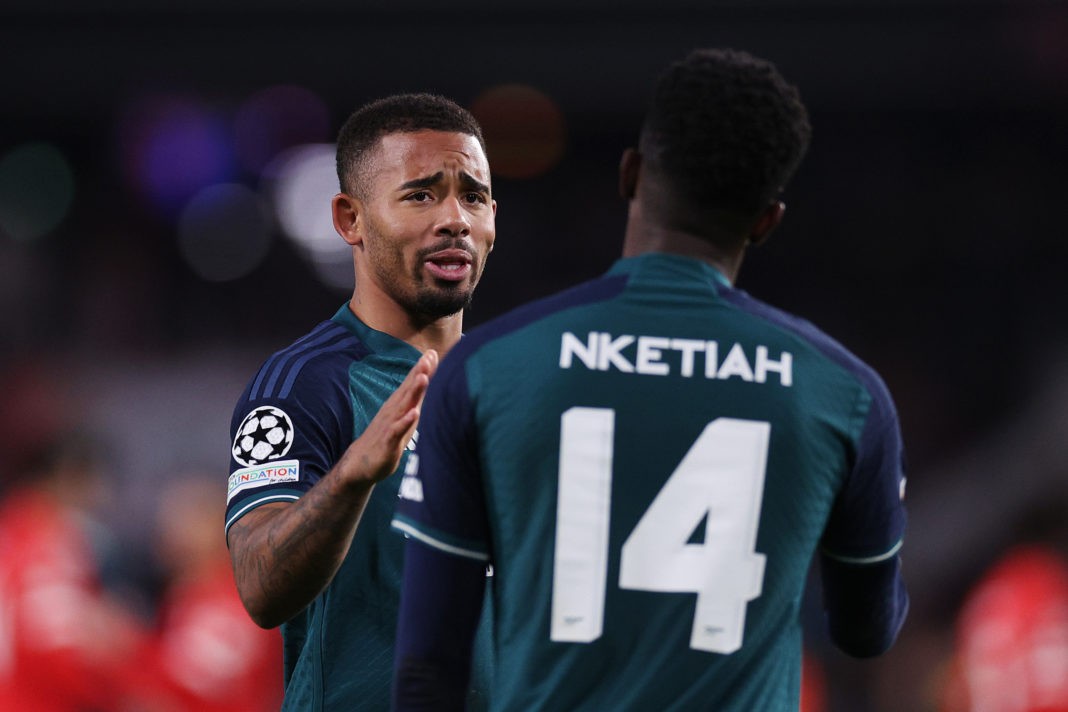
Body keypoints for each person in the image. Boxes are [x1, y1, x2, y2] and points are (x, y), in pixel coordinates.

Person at [391, 48, 909, 711]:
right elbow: (866, 632)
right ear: (767, 219)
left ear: (630, 173)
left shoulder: (487, 367)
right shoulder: (845, 395)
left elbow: (427, 665)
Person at [224, 92, 496, 711]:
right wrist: (353, 475)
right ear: (350, 219)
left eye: (472, 196)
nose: (454, 218)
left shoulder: (508, 384)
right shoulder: (302, 384)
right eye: (421, 194)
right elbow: (260, 587)